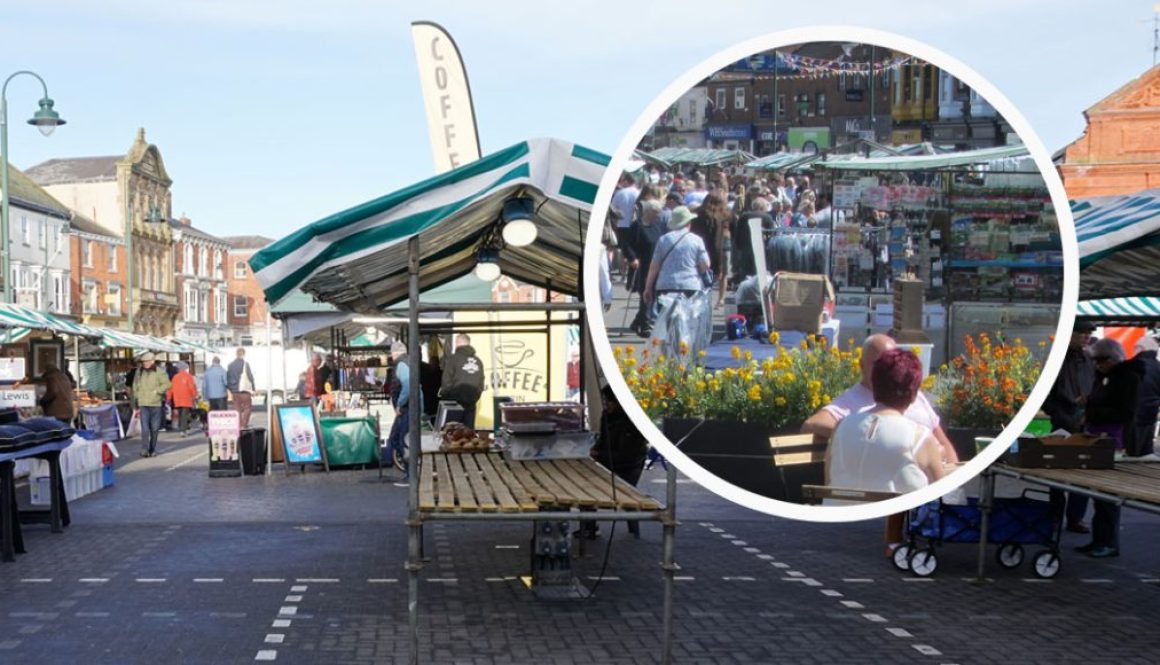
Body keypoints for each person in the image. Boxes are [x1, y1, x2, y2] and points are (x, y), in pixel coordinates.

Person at [802, 334, 959, 464]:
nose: (886, 369)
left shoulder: (914, 394)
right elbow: (811, 424)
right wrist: (862, 436)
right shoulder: (850, 401)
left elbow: (943, 441)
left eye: (891, 363)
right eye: (878, 364)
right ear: (862, 366)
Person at [827, 348, 945, 494]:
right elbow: (945, 498)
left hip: (840, 514)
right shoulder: (920, 437)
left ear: (874, 384)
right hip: (894, 516)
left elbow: (829, 482)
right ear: (914, 395)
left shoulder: (841, 427)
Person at [1077, 337, 1139, 558]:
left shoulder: (1126, 378)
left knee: (1107, 495)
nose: (1097, 364)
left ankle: (1108, 542)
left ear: (1113, 359)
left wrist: (1094, 408)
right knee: (1099, 493)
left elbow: (1125, 412)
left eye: (1101, 360)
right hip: (1098, 435)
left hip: (1113, 439)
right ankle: (1099, 539)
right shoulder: (1104, 377)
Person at [1040, 321, 1096, 533]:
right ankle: (1054, 517)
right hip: (1062, 422)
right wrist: (1058, 412)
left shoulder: (1088, 359)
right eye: (1081, 332)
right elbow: (1045, 393)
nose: (1085, 336)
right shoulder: (1057, 359)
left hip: (1085, 424)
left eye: (1088, 333)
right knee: (1058, 473)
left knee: (1081, 474)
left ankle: (1075, 518)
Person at [584, 384, 650, 539]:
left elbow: (626, 455)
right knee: (583, 476)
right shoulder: (607, 416)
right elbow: (602, 440)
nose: (606, 404)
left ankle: (589, 527)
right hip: (608, 462)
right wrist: (594, 450)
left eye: (609, 401)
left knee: (586, 485)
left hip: (625, 468)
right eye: (605, 401)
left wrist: (598, 454)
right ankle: (588, 527)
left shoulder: (631, 423)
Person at [642, 206, 710, 308]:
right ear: (688, 223)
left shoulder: (663, 239)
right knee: (688, 319)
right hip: (690, 285)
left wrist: (648, 287)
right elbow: (705, 265)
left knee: (665, 319)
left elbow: (654, 266)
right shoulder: (697, 240)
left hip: (666, 285)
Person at [624, 198, 666, 337]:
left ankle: (637, 322)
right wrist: (632, 258)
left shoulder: (655, 227)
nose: (659, 216)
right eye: (657, 213)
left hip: (655, 266)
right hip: (641, 266)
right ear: (649, 212)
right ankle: (645, 325)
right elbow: (627, 245)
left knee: (652, 295)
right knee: (645, 295)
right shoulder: (637, 226)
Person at [386, 341, 419, 483]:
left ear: (394, 353)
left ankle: (411, 475)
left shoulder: (401, 364)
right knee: (399, 440)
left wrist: (399, 404)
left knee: (400, 441)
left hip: (406, 409)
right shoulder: (409, 361)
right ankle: (410, 473)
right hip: (410, 408)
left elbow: (408, 385)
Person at [439, 334, 484, 428]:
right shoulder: (478, 361)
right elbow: (481, 383)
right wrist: (474, 397)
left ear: (458, 343)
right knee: (468, 435)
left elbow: (446, 381)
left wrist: (446, 396)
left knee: (453, 434)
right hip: (471, 403)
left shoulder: (453, 359)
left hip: (454, 404)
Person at [132, 353, 171, 457]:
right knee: (145, 429)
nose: (145, 363)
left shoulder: (159, 372)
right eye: (143, 362)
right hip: (143, 403)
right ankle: (144, 449)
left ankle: (152, 449)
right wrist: (137, 396)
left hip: (156, 404)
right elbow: (135, 385)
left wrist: (157, 391)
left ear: (152, 361)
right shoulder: (139, 372)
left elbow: (167, 384)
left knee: (154, 429)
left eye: (147, 361)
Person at [1128, 335, 1160, 458]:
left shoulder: (1131, 365)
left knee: (1131, 451)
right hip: (1151, 412)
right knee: (1146, 451)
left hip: (1132, 412)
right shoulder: (1158, 367)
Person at [227, 348, 256, 428]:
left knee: (237, 408)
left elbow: (228, 378)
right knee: (247, 407)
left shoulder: (230, 365)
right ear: (243, 354)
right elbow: (250, 377)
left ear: (236, 354)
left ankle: (239, 424)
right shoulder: (245, 364)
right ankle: (244, 424)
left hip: (235, 391)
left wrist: (231, 389)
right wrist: (253, 389)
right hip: (245, 391)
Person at [167, 362, 198, 436]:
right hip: (186, 399)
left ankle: (181, 428)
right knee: (185, 414)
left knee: (180, 414)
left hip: (177, 399)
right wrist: (195, 395)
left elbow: (171, 388)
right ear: (185, 368)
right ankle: (183, 430)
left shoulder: (175, 377)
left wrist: (169, 398)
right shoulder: (189, 377)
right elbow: (191, 387)